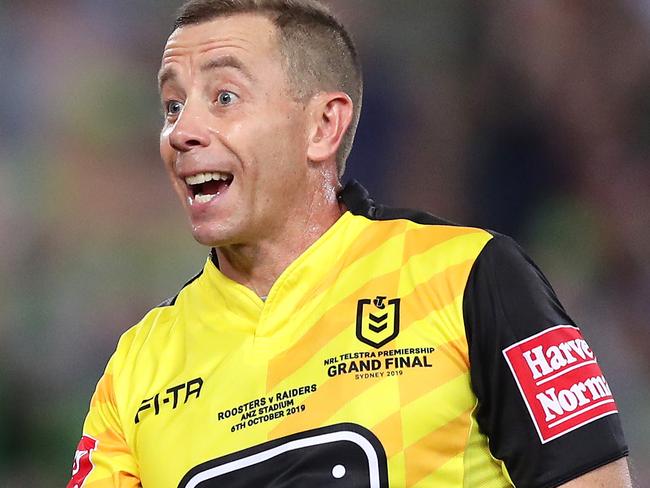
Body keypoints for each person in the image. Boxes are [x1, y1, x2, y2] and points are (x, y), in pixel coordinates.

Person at [67, 0, 632, 487]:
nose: (182, 132)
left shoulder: (469, 277)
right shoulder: (136, 368)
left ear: (322, 127)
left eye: (225, 97)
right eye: (172, 105)